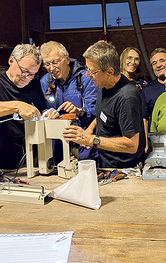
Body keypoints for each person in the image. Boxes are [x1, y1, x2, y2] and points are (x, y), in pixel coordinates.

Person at [62, 40, 145, 168]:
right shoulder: (104, 85)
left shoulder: (127, 97)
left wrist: (91, 140)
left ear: (110, 72)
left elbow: (132, 145)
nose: (87, 74)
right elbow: (104, 114)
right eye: (87, 69)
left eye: (92, 71)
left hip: (125, 168)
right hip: (106, 162)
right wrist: (89, 130)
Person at [39, 41, 99, 162]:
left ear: (66, 59)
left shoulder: (86, 78)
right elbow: (41, 110)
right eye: (47, 64)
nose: (51, 68)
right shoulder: (45, 81)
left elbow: (96, 112)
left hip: (84, 147)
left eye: (55, 62)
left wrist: (79, 111)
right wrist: (47, 114)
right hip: (57, 149)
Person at [140, 48, 166, 152]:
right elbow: (144, 119)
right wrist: (145, 145)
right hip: (157, 142)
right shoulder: (147, 90)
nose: (158, 65)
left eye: (162, 60)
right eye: (154, 63)